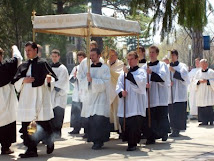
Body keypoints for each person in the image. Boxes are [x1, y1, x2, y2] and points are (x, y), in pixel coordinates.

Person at [12, 41, 58, 158]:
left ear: (36, 50)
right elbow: (15, 81)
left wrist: (49, 80)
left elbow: (52, 78)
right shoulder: (23, 65)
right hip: (27, 100)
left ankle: (49, 141)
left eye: (29, 50)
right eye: (26, 51)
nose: (27, 53)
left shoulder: (43, 63)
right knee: (28, 126)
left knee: (44, 124)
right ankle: (31, 149)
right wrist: (23, 80)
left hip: (40, 99)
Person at [78, 48, 111, 150]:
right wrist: (87, 81)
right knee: (92, 119)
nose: (91, 57)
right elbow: (81, 80)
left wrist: (93, 80)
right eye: (90, 55)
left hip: (101, 97)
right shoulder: (88, 68)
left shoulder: (105, 68)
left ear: (99, 55)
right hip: (90, 97)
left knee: (99, 119)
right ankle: (94, 139)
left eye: (93, 55)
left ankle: (99, 141)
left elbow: (106, 83)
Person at [116, 51, 147, 151]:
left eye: (131, 59)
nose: (129, 61)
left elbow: (140, 84)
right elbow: (119, 84)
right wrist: (121, 92)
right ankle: (128, 140)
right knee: (124, 122)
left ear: (137, 60)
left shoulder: (141, 71)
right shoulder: (123, 73)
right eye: (128, 59)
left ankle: (133, 143)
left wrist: (128, 74)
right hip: (125, 102)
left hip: (136, 104)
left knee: (134, 124)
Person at [142, 46, 170, 144]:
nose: (151, 54)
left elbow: (163, 78)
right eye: (150, 52)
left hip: (160, 94)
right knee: (150, 117)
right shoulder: (145, 66)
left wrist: (152, 73)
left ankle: (163, 133)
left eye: (153, 52)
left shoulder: (162, 65)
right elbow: (141, 79)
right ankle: (151, 136)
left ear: (157, 54)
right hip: (150, 94)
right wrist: (144, 84)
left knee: (161, 115)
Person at [0, 46, 22, 155]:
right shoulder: (5, 66)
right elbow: (17, 58)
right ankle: (5, 147)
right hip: (5, 98)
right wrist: (14, 48)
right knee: (7, 121)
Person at [168, 49, 189, 137]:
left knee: (178, 112)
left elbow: (185, 78)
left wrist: (174, 72)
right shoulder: (167, 66)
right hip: (170, 93)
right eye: (171, 56)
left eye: (173, 55)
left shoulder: (182, 66)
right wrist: (169, 82)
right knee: (172, 112)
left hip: (179, 93)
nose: (172, 57)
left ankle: (177, 129)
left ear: (177, 56)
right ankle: (173, 128)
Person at [50, 49, 69, 138]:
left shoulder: (62, 68)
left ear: (59, 57)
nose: (54, 58)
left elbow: (62, 81)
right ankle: (51, 132)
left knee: (58, 114)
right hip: (50, 95)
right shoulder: (49, 67)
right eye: (53, 56)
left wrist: (52, 85)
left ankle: (57, 132)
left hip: (59, 95)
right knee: (51, 115)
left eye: (55, 56)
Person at [69, 51, 86, 134]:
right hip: (77, 92)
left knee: (84, 111)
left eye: (81, 57)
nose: (80, 59)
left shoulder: (87, 67)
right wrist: (75, 77)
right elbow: (71, 78)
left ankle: (86, 129)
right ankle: (76, 128)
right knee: (76, 111)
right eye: (79, 58)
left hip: (84, 93)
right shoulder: (76, 67)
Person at [107, 49, 124, 132]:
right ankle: (110, 128)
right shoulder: (106, 63)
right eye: (109, 55)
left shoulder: (120, 63)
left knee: (117, 110)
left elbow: (118, 75)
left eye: (112, 55)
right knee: (109, 112)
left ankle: (119, 129)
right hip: (108, 90)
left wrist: (108, 69)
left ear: (116, 56)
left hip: (116, 90)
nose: (110, 57)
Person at [194, 59, 214, 126]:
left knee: (208, 107)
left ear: (207, 64)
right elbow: (194, 81)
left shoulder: (211, 72)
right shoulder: (198, 72)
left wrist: (208, 81)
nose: (203, 65)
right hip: (201, 92)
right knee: (202, 106)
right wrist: (198, 81)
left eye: (204, 64)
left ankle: (211, 120)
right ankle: (203, 121)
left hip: (208, 91)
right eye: (201, 64)